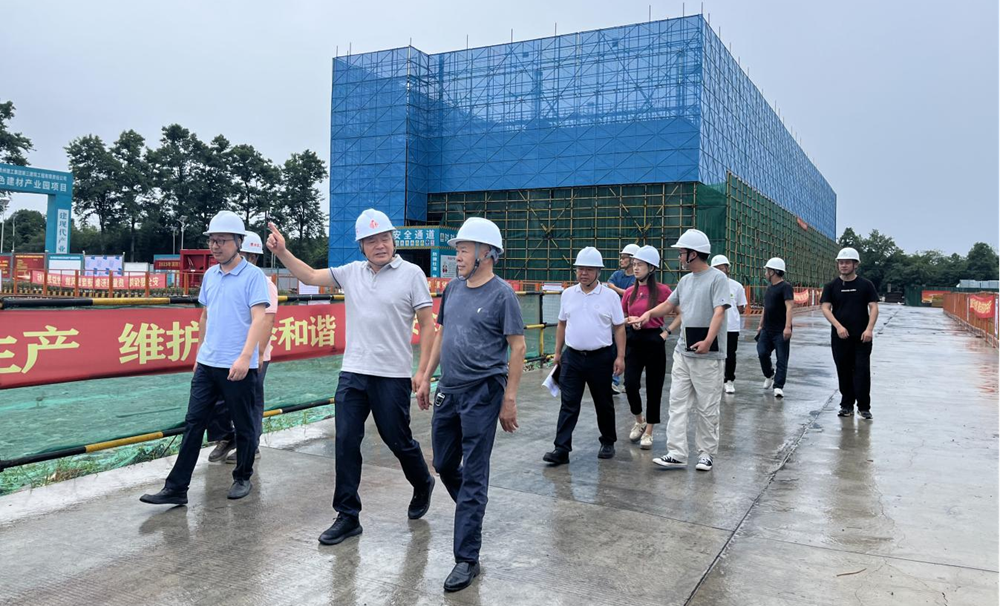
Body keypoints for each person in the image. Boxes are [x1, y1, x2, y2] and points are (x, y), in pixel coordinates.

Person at [266, 209, 437, 546]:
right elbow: (310, 275)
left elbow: (428, 324)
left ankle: (422, 481)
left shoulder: (412, 274)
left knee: (397, 439)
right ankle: (347, 515)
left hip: (392, 374)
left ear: (393, 240)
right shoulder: (351, 273)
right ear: (361, 246)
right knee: (345, 440)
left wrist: (422, 371)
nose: (380, 245)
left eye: (384, 238)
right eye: (371, 241)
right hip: (353, 372)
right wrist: (282, 251)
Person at [416, 217, 526, 593]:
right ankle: (471, 506)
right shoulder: (453, 289)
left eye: (463, 250)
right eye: (458, 250)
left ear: (486, 253)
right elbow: (442, 333)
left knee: (475, 474)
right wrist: (426, 376)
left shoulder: (502, 295)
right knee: (445, 463)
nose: (458, 256)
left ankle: (466, 558)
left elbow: (518, 348)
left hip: (484, 392)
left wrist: (509, 399)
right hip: (449, 389)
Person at [140, 211, 271, 505]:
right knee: (194, 423)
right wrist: (199, 354)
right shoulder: (210, 275)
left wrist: (245, 357)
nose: (215, 246)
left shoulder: (253, 277)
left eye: (222, 240)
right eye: (212, 240)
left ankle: (243, 476)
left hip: (237, 366)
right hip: (208, 364)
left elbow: (259, 319)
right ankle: (176, 488)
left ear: (238, 242)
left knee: (244, 424)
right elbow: (205, 316)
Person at [630, 229, 729, 472]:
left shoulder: (717, 279)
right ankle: (677, 453)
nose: (679, 257)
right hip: (684, 352)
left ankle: (705, 454)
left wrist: (708, 341)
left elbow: (719, 311)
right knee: (677, 403)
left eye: (682, 252)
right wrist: (649, 314)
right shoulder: (685, 281)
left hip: (708, 355)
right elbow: (669, 305)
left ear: (693, 254)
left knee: (707, 407)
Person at [543, 247, 626, 465]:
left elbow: (619, 328)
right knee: (568, 404)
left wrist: (620, 357)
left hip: (601, 357)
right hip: (573, 357)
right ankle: (561, 449)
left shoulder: (610, 296)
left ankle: (608, 441)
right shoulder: (568, 294)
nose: (583, 273)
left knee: (603, 402)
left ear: (598, 272)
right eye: (580, 269)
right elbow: (562, 324)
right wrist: (558, 352)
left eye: (589, 269)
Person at [206, 232, 278, 464]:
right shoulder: (220, 277)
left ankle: (250, 445)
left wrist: (258, 354)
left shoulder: (264, 283)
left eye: (247, 255)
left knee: (250, 401)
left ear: (253, 258)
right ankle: (227, 436)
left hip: (253, 355)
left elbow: (266, 321)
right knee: (218, 399)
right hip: (225, 353)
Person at [621, 245, 672, 450]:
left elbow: (681, 312)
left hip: (654, 340)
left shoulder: (663, 291)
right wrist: (629, 321)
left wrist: (666, 333)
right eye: (634, 264)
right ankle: (639, 420)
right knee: (630, 383)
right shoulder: (629, 292)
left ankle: (649, 430)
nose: (635, 268)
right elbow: (621, 318)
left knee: (654, 386)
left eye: (640, 264)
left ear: (651, 268)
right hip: (633, 339)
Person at [821, 247, 879, 420]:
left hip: (862, 337)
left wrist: (869, 329)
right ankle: (846, 405)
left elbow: (873, 307)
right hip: (840, 337)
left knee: (862, 370)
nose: (844, 265)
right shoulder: (831, 286)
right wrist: (838, 326)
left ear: (855, 265)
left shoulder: (866, 285)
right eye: (841, 262)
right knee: (843, 370)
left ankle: (864, 407)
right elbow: (825, 308)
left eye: (847, 262)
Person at [756, 258, 794, 398]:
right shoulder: (769, 288)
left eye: (767, 271)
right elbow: (766, 308)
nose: (765, 273)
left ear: (773, 272)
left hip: (780, 330)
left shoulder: (786, 287)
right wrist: (760, 325)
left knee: (781, 359)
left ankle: (778, 386)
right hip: (767, 329)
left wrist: (787, 327)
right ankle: (769, 374)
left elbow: (789, 307)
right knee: (762, 352)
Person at [710, 255, 748, 394]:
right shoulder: (709, 285)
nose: (720, 271)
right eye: (716, 269)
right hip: (713, 326)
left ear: (727, 269)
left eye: (722, 268)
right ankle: (715, 380)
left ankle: (729, 380)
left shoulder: (736, 286)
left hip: (731, 327)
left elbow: (741, 307)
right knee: (713, 355)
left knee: (730, 355)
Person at [607, 244, 639, 394]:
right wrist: (622, 291)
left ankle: (629, 383)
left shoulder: (637, 278)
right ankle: (613, 382)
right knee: (614, 351)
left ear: (632, 259)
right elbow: (610, 284)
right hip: (616, 319)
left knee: (629, 354)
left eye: (624, 257)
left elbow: (632, 293)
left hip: (630, 320)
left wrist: (616, 289)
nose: (621, 260)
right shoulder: (617, 274)